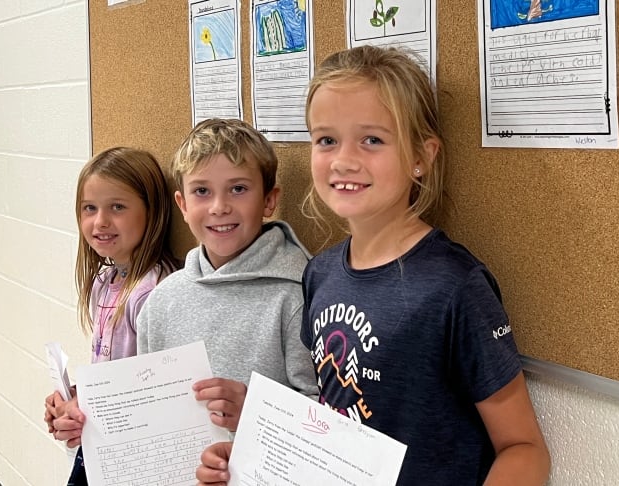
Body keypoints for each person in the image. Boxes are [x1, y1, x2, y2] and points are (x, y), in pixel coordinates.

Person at [196, 46, 551, 486]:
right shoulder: (320, 273)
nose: (343, 160)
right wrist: (258, 441)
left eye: (372, 140)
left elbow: (524, 449)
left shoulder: (454, 286)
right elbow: (334, 421)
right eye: (326, 139)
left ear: (422, 156)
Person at [136, 118, 317, 434]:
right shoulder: (161, 301)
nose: (219, 207)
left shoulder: (296, 296)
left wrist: (257, 411)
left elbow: (325, 416)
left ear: (269, 200)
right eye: (202, 191)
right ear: (183, 204)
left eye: (238, 189)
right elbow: (146, 405)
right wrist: (85, 418)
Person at [43, 147, 179, 483]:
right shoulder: (107, 280)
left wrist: (89, 412)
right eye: (90, 208)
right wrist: (74, 400)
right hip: (104, 443)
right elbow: (112, 373)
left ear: (152, 212)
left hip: (133, 456)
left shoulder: (151, 292)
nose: (100, 221)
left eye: (117, 207)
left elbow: (159, 393)